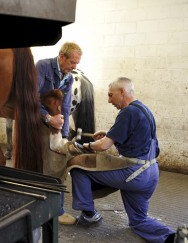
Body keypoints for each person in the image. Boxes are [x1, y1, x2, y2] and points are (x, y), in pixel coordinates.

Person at [69, 77, 176, 242]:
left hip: (134, 174)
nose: (109, 100)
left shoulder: (127, 112)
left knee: (78, 167)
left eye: (111, 95)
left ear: (122, 92)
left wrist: (86, 146)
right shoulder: (142, 108)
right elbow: (137, 136)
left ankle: (89, 214)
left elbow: (104, 146)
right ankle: (173, 237)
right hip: (151, 174)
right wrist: (110, 134)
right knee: (138, 221)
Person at [36, 41, 82, 225]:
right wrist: (47, 118)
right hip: (37, 120)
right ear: (61, 57)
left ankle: (57, 209)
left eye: (77, 64)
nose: (75, 67)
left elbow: (65, 106)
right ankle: (48, 207)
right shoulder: (43, 67)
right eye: (72, 62)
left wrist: (63, 137)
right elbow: (30, 97)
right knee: (43, 165)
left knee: (59, 160)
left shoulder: (69, 78)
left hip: (54, 124)